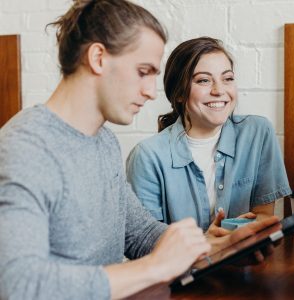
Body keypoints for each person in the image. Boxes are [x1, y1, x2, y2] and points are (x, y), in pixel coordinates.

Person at [0, 1, 278, 299]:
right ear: (98, 58)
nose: (150, 91)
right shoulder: (25, 148)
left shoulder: (102, 141)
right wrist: (154, 268)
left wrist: (217, 248)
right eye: (143, 72)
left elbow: (140, 233)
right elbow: (18, 284)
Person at [126, 37, 291, 232]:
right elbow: (146, 242)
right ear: (179, 93)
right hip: (184, 263)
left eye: (227, 79)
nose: (219, 90)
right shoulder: (147, 156)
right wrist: (211, 245)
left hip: (247, 260)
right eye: (204, 80)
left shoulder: (257, 132)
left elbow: (263, 216)